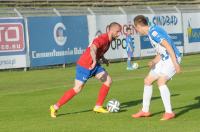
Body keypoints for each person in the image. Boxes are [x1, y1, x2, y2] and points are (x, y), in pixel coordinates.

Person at [50, 22, 122, 118]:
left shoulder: (108, 41)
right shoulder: (103, 38)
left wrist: (103, 60)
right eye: (117, 31)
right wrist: (93, 61)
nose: (119, 34)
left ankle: (98, 106)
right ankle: (54, 107)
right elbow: (93, 48)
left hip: (94, 65)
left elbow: (99, 51)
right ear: (111, 30)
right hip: (85, 64)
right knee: (77, 89)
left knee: (108, 81)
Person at [131, 15, 181, 120]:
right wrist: (154, 61)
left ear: (138, 26)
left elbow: (168, 46)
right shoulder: (152, 31)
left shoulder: (154, 33)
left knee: (161, 81)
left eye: (136, 28)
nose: (137, 31)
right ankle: (145, 110)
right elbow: (161, 51)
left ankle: (169, 112)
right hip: (164, 58)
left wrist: (176, 64)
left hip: (172, 58)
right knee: (148, 81)